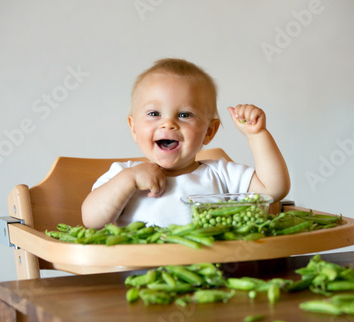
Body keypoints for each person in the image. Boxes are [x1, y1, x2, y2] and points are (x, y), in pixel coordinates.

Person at [81, 58, 290, 228]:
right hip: (141, 276)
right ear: (133, 128)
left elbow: (273, 189)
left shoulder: (220, 174)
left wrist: (257, 135)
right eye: (154, 113)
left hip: (210, 274)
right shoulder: (123, 175)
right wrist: (128, 181)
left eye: (184, 114)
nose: (168, 123)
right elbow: (91, 220)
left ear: (209, 131)